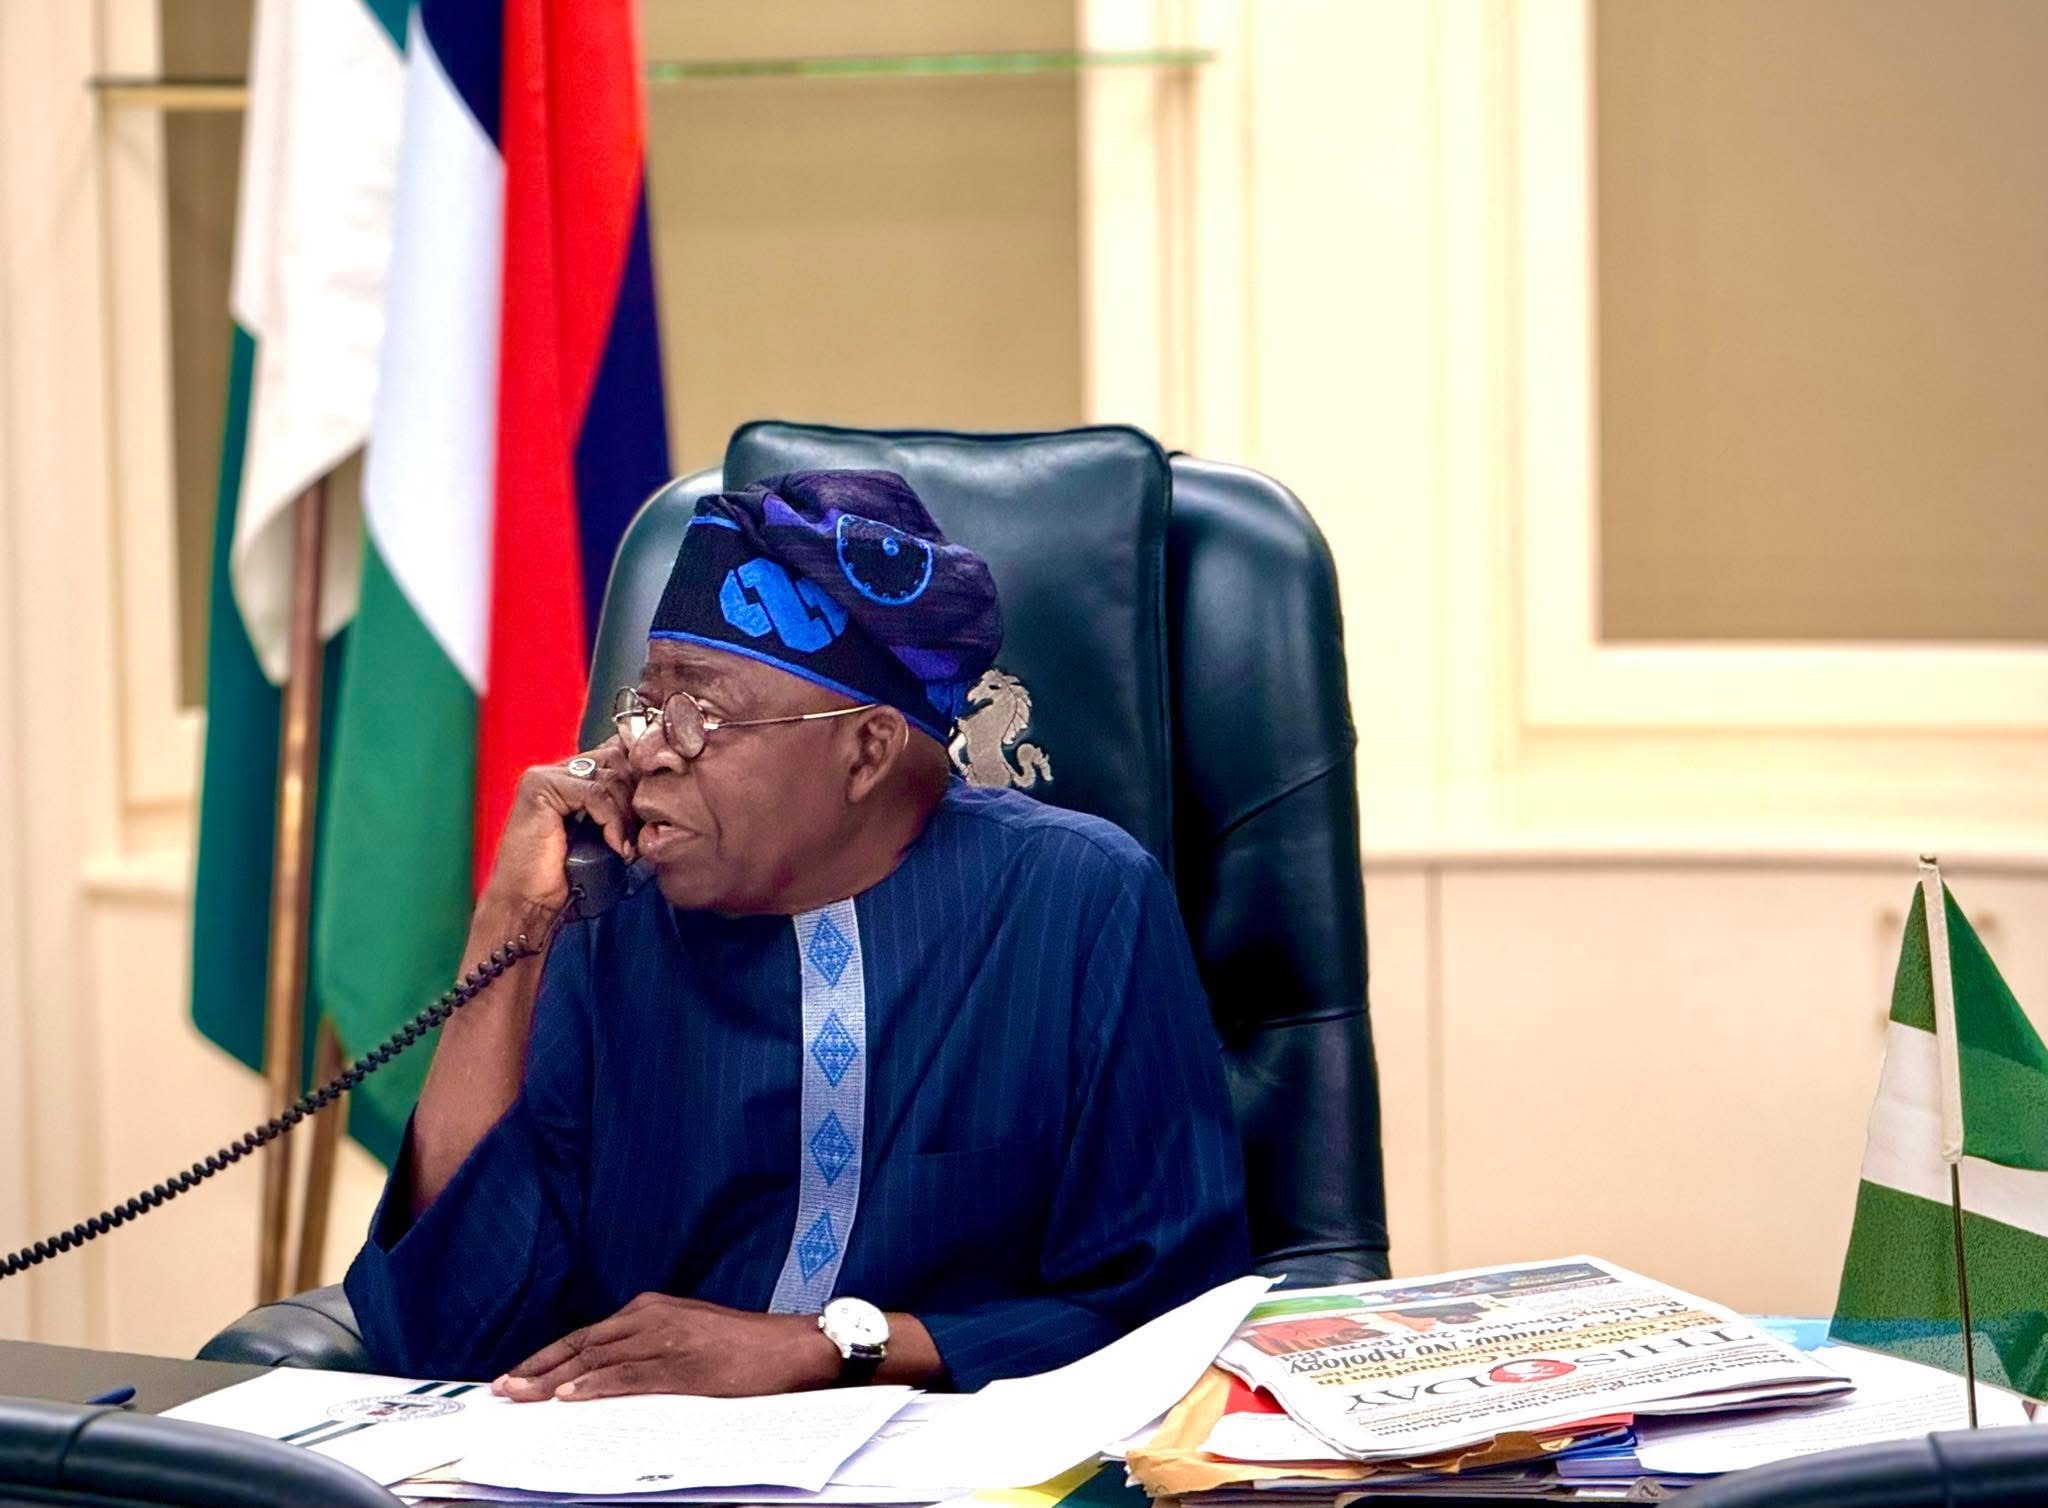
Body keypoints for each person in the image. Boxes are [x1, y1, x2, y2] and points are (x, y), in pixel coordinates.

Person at [344, 469, 1250, 1398]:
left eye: (699, 716)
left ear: (867, 751)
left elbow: (1171, 1310)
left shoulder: (1077, 901)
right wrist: (512, 918)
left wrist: (832, 1345)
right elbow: (435, 1333)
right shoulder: (608, 911)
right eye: (646, 708)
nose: (646, 751)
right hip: (624, 1460)